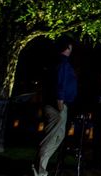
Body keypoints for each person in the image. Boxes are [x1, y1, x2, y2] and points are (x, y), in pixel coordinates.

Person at [33, 37, 78, 176]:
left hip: (57, 105)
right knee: (51, 138)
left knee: (57, 137)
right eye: (71, 47)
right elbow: (60, 82)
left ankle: (39, 167)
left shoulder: (57, 62)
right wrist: (59, 103)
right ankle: (39, 170)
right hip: (57, 106)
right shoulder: (62, 63)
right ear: (68, 48)